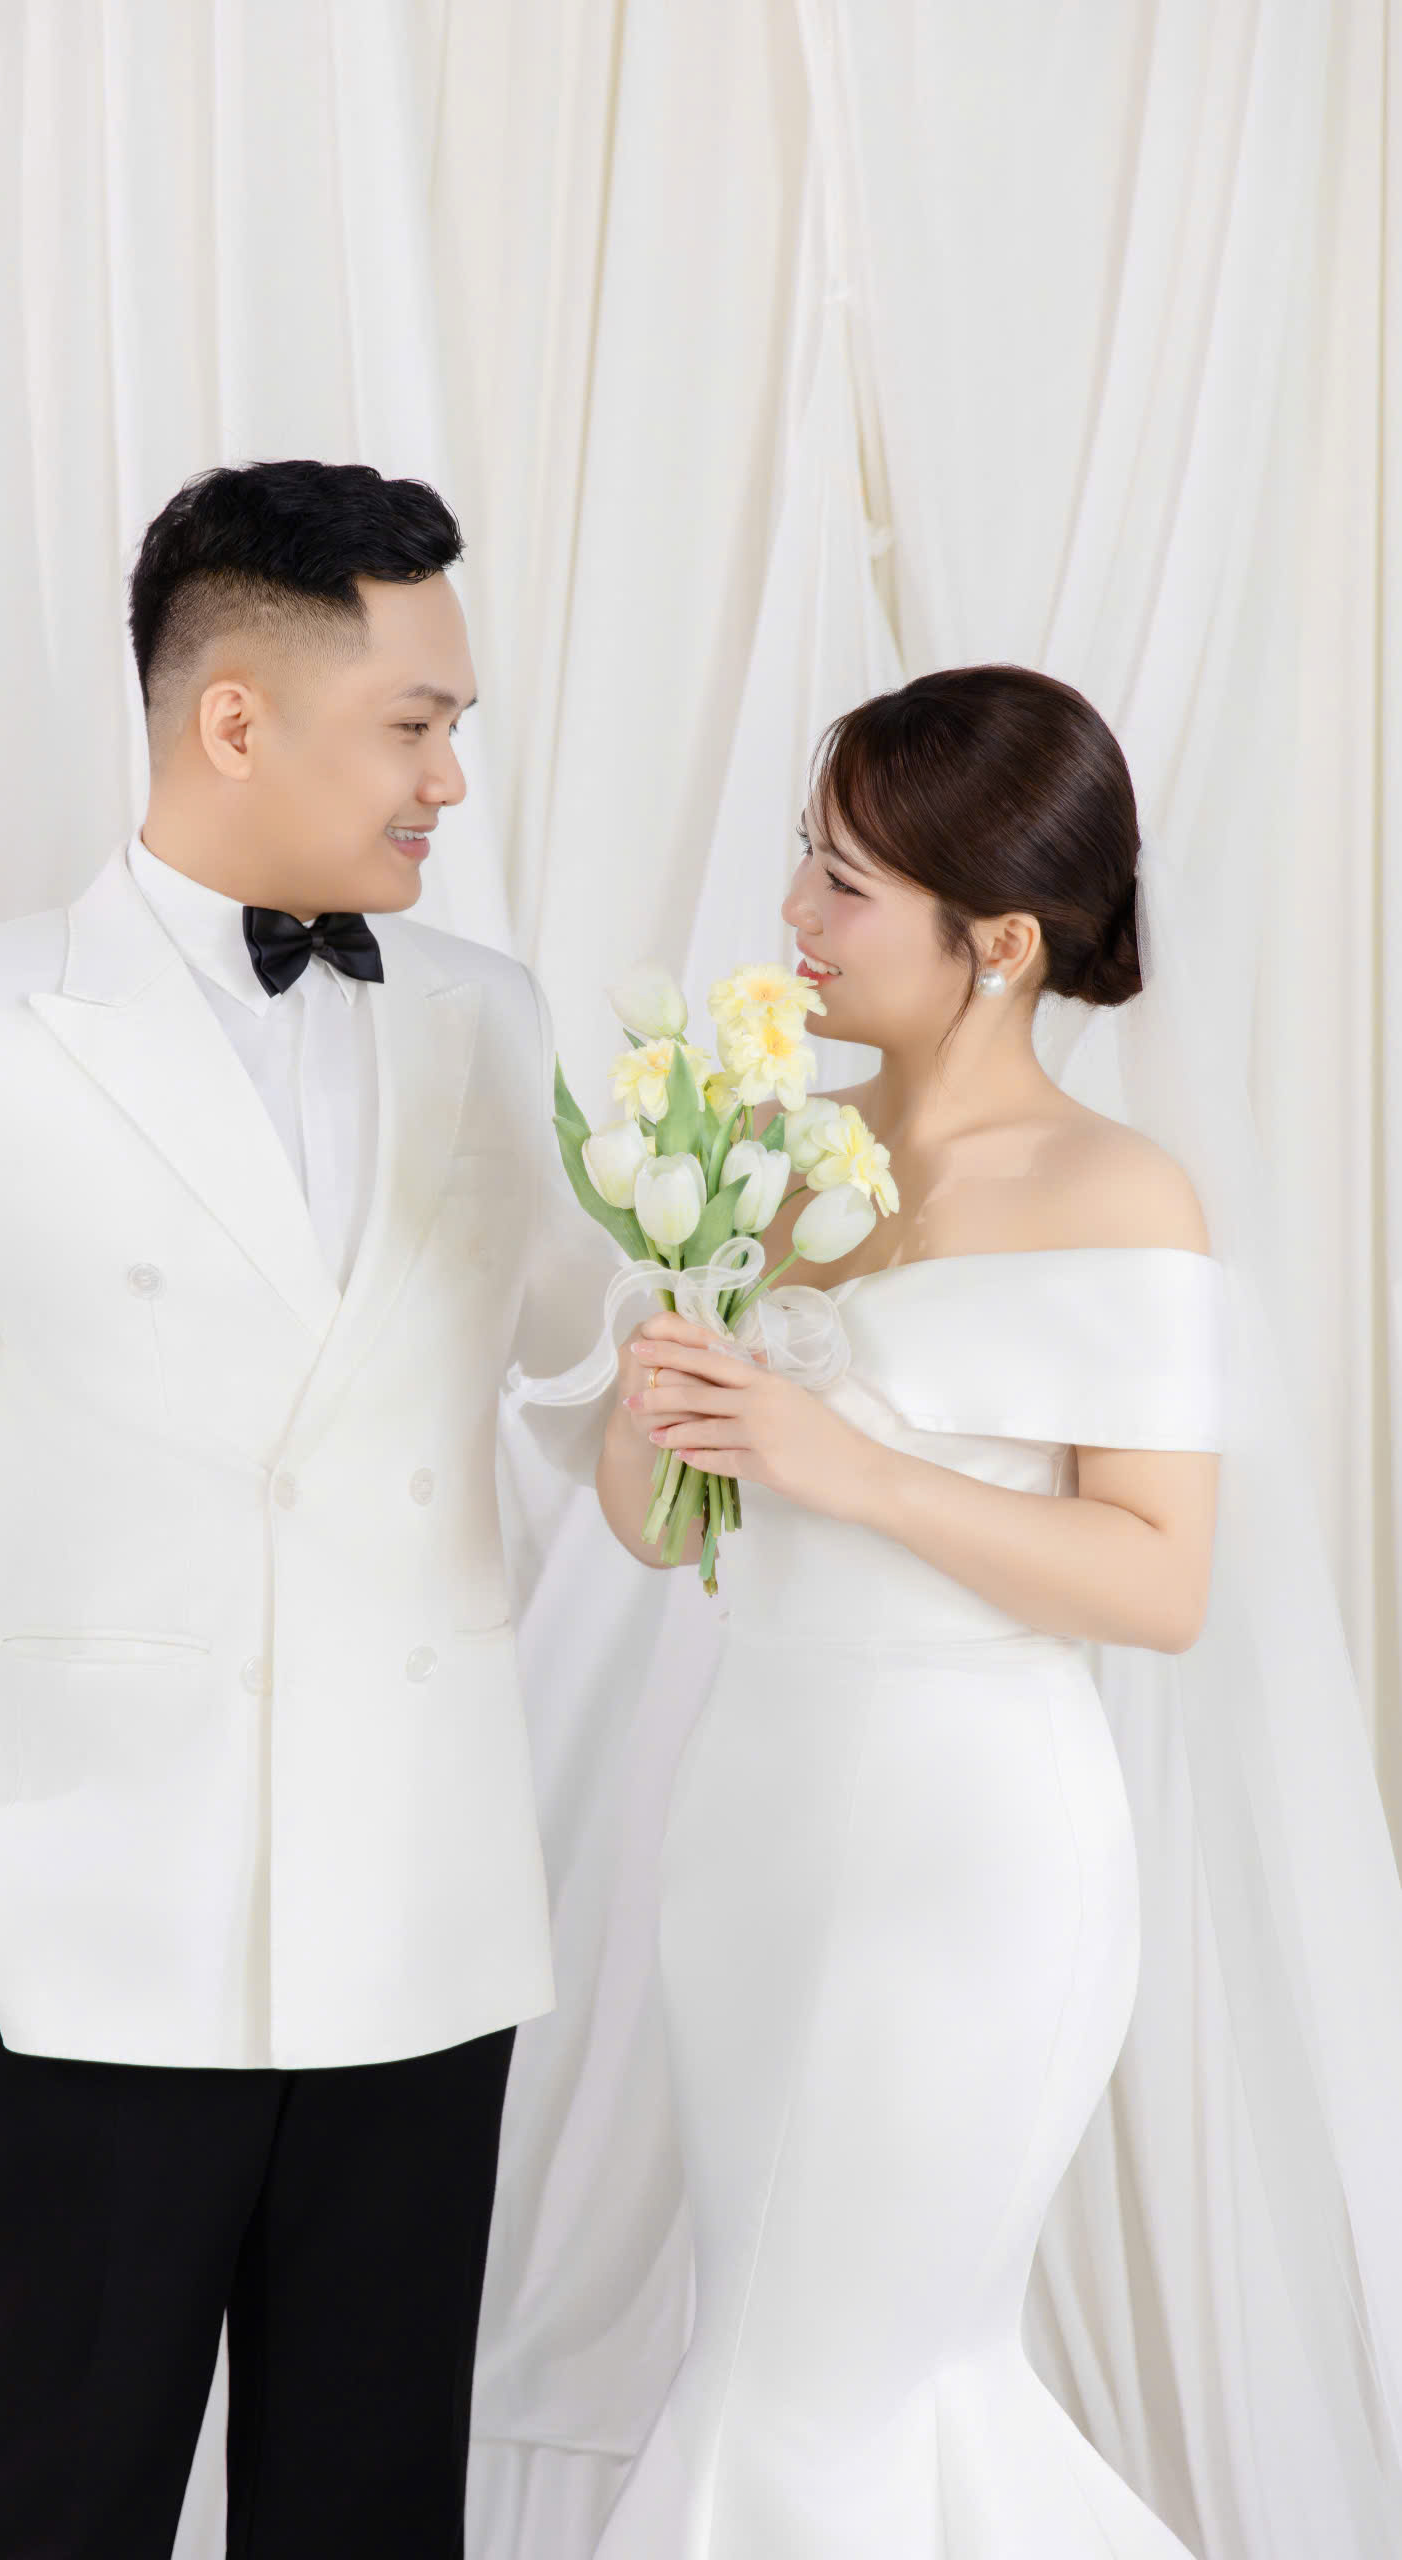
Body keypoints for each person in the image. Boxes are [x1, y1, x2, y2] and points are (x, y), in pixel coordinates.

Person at [0, 458, 611, 2558]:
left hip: (416, 1916)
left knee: (372, 2516)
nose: (450, 779)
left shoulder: (488, 1016)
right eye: (416, 724)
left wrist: (730, 1332)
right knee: (51, 2508)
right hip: (73, 1930)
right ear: (238, 717)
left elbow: (585, 1368)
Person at [590, 667, 1221, 2554]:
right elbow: (655, 1534)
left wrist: (851, 1467)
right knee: (780, 2348)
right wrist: (654, 1385)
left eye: (846, 882)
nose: (794, 910)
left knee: (831, 2381)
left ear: (1001, 942)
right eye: (806, 856)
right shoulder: (763, 1154)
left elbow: (1160, 1579)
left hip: (975, 1853)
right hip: (752, 1835)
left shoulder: (1120, 1195)